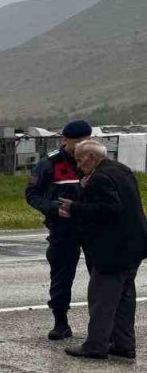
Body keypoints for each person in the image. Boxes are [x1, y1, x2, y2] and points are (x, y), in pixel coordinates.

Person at [58, 139, 146, 360]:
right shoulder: (121, 170)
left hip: (113, 249)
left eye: (80, 160)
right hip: (134, 245)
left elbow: (109, 209)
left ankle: (95, 346)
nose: (78, 166)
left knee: (102, 299)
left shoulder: (100, 178)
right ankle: (124, 345)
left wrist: (74, 207)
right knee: (124, 298)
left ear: (91, 157)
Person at [25, 120, 91, 339]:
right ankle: (61, 323)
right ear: (65, 140)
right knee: (62, 275)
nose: (82, 146)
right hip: (63, 228)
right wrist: (53, 208)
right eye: (77, 142)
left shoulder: (96, 161)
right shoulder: (50, 164)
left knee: (102, 276)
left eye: (86, 141)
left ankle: (101, 325)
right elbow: (32, 194)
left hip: (93, 227)